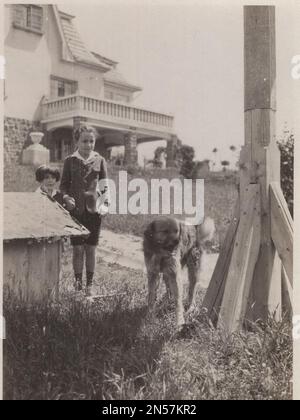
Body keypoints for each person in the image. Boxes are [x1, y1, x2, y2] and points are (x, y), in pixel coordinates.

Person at [60, 125, 110, 296]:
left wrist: (105, 204)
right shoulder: (69, 161)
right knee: (78, 249)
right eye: (84, 141)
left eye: (91, 141)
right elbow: (63, 186)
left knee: (90, 249)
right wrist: (66, 198)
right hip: (76, 212)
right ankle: (77, 285)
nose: (88, 145)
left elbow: (104, 185)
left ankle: (89, 285)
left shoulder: (99, 160)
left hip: (94, 211)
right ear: (77, 141)